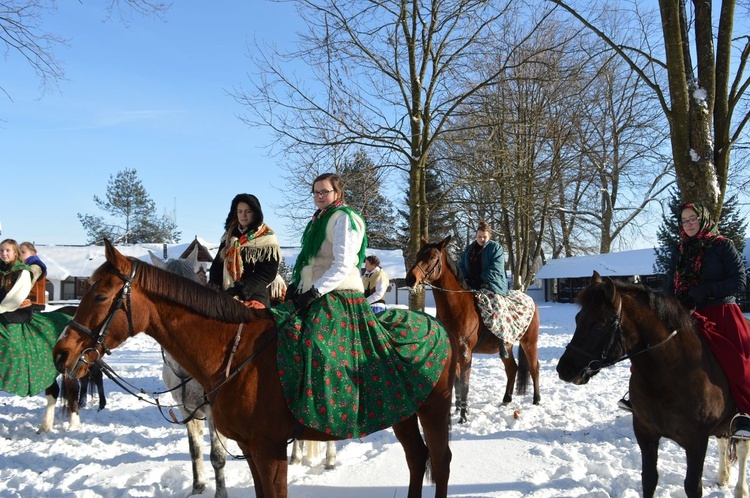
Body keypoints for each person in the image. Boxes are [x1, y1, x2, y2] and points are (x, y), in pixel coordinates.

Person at [269, 172, 450, 439]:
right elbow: (312, 261)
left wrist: (315, 291)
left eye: (325, 191)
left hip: (337, 295)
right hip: (314, 292)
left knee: (316, 344)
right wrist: (299, 289)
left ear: (337, 193)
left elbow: (343, 264)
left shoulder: (344, 219)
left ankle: (336, 410)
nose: (320, 196)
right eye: (316, 192)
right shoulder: (318, 220)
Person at [619, 203, 750, 438]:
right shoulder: (680, 249)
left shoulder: (722, 246)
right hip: (684, 312)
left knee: (738, 357)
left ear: (703, 220)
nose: (688, 224)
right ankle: (640, 398)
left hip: (720, 310)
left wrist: (706, 291)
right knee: (650, 348)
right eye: (684, 221)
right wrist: (668, 304)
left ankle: (744, 413)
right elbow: (670, 282)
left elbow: (739, 280)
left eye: (693, 219)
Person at [0, 239, 70, 396]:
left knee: (10, 343)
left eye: (8, 250)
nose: (4, 253)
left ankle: (16, 372)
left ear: (15, 253)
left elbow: (14, 297)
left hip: (15, 313)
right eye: (1, 250)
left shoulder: (23, 271)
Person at [208, 193, 280, 308]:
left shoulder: (267, 238)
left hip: (253, 294)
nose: (243, 215)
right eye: (240, 211)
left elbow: (267, 273)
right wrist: (214, 285)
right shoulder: (228, 237)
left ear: (256, 213)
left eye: (248, 211)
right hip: (226, 292)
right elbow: (217, 264)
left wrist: (241, 290)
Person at [459, 220, 508, 296]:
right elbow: (461, 264)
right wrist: (466, 277)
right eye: (479, 237)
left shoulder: (496, 248)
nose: (482, 239)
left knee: (494, 304)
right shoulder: (469, 249)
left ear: (489, 236)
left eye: (484, 237)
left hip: (492, 284)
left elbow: (496, 268)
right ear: (476, 236)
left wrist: (480, 279)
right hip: (470, 283)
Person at [19, 242, 47, 312]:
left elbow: (27, 283)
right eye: (19, 252)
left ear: (33, 253)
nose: (20, 255)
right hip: (26, 302)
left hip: (33, 303)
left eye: (23, 252)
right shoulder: (24, 265)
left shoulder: (35, 266)